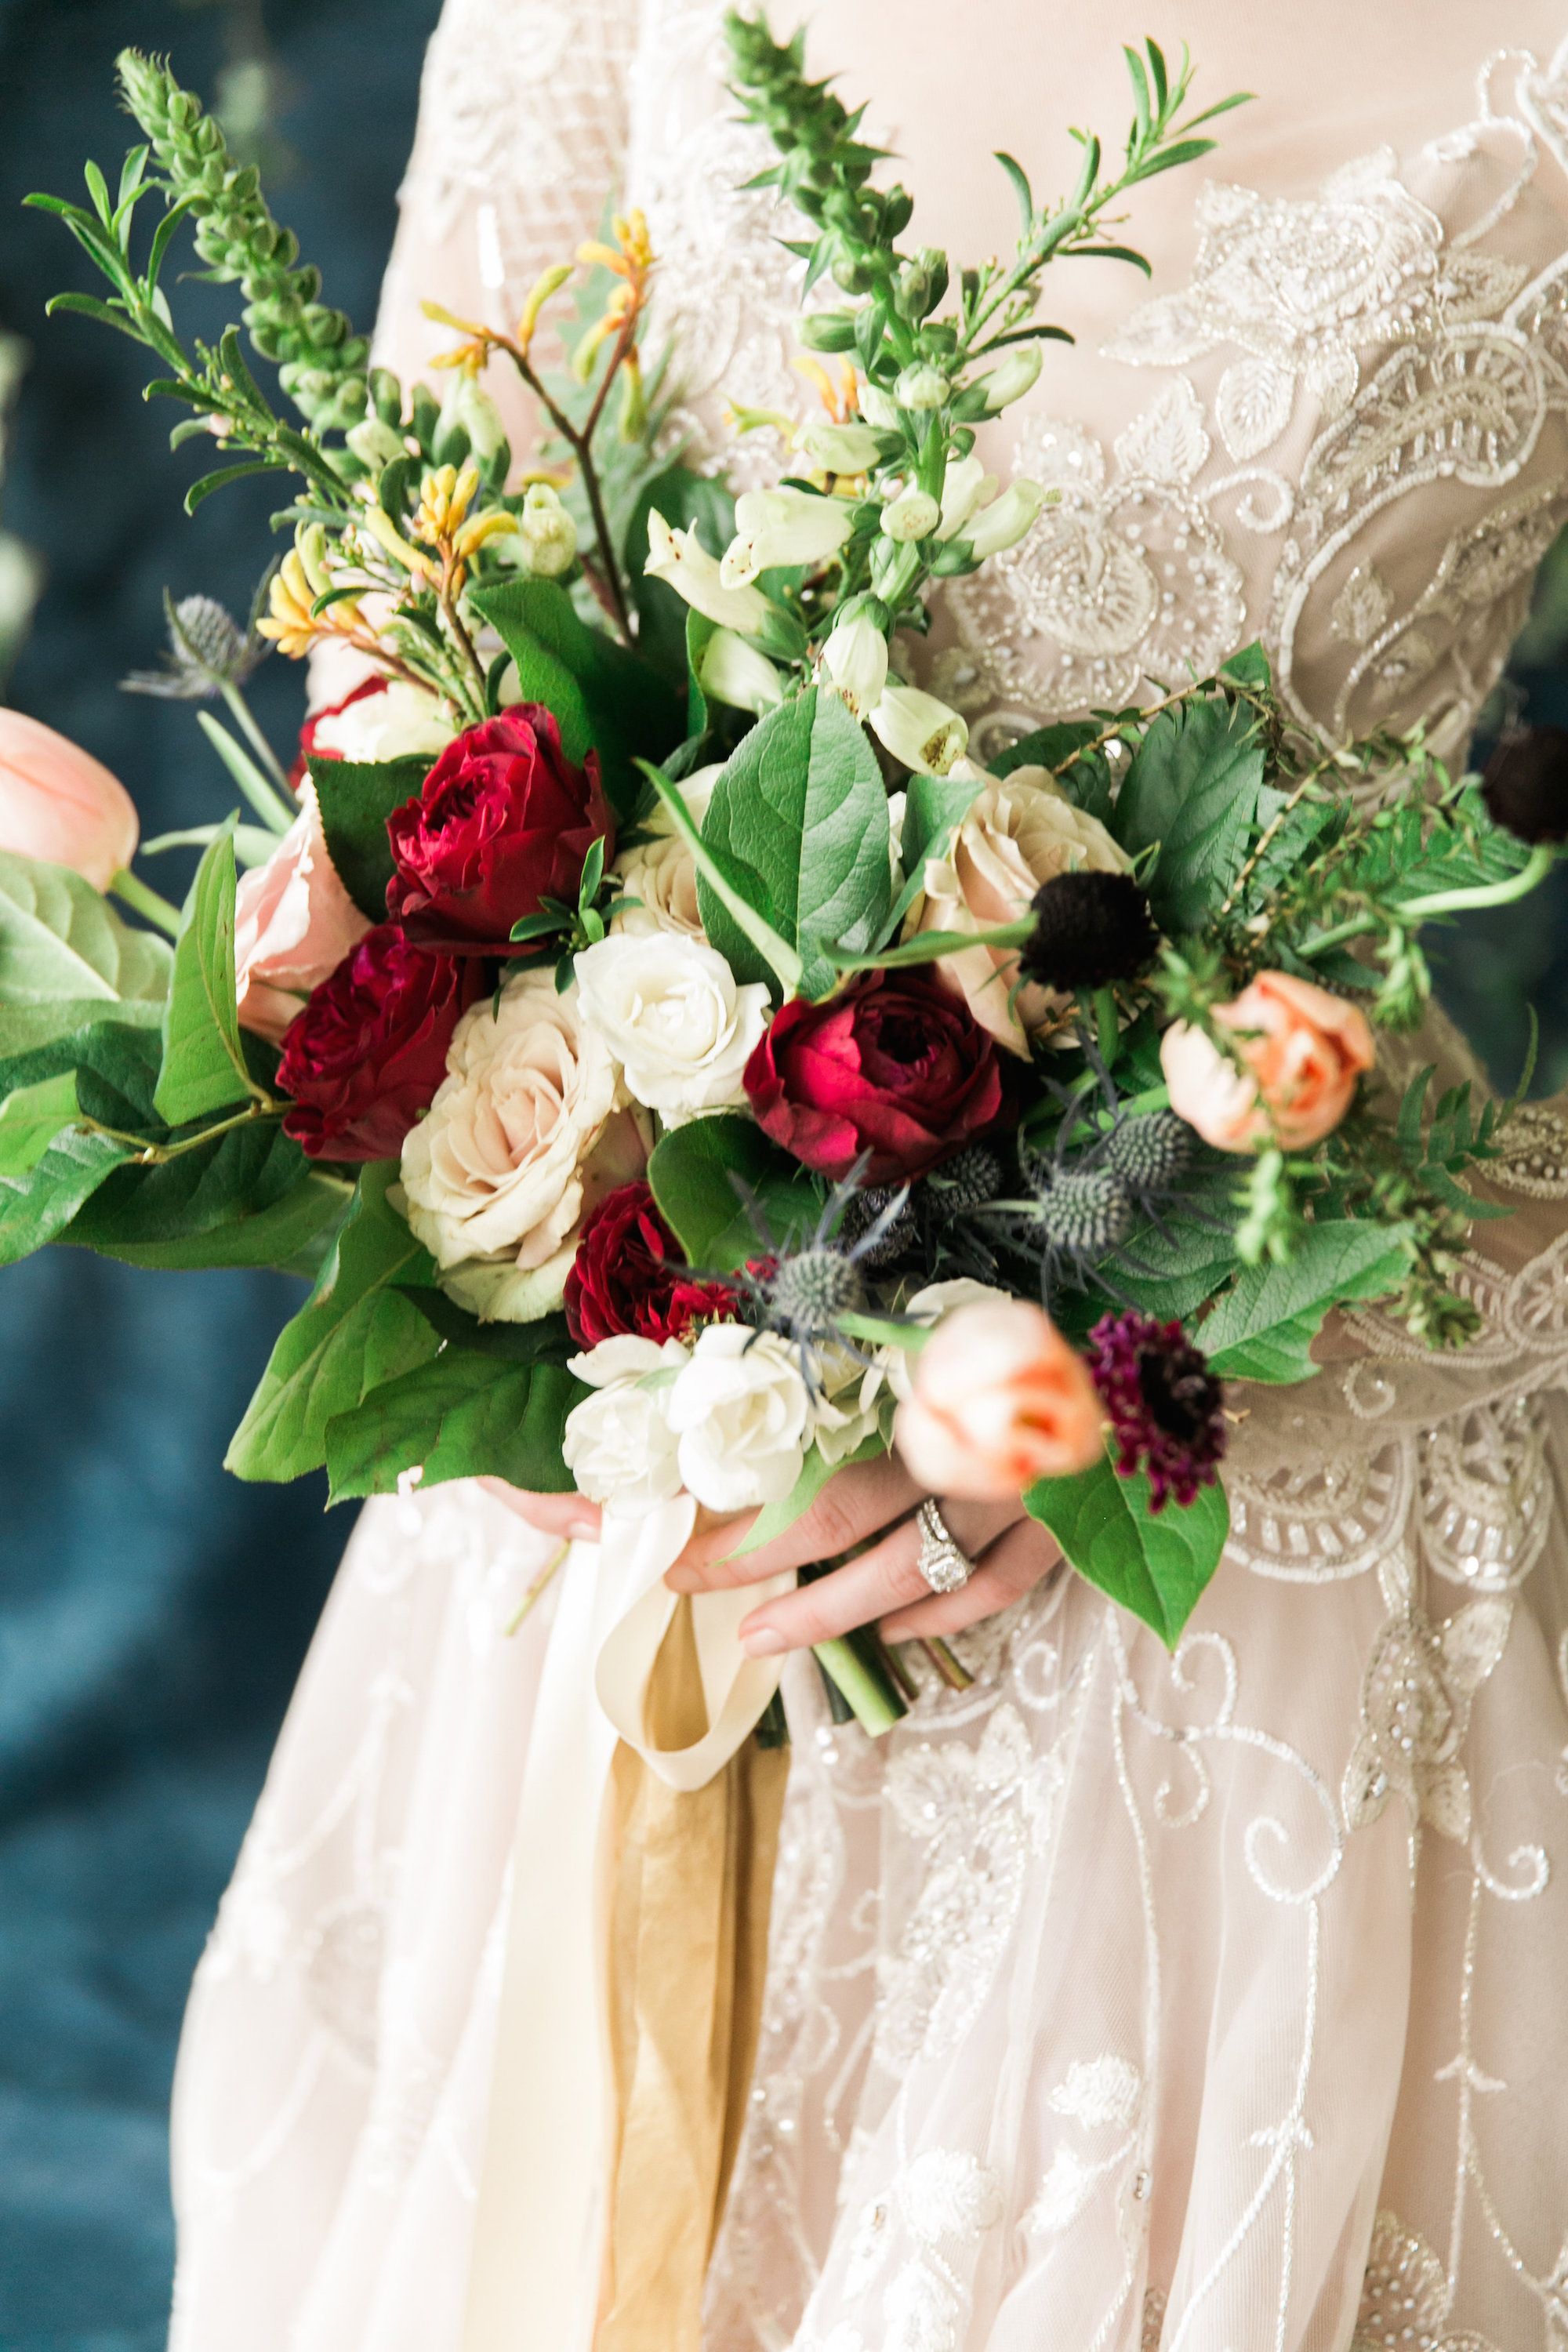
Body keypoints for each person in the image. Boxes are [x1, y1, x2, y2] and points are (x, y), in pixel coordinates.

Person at [167, 5, 1568, 2346]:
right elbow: (410, 645)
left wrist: (1159, 1349)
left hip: (1254, 1516)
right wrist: (547, 1259)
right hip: (645, 1428)